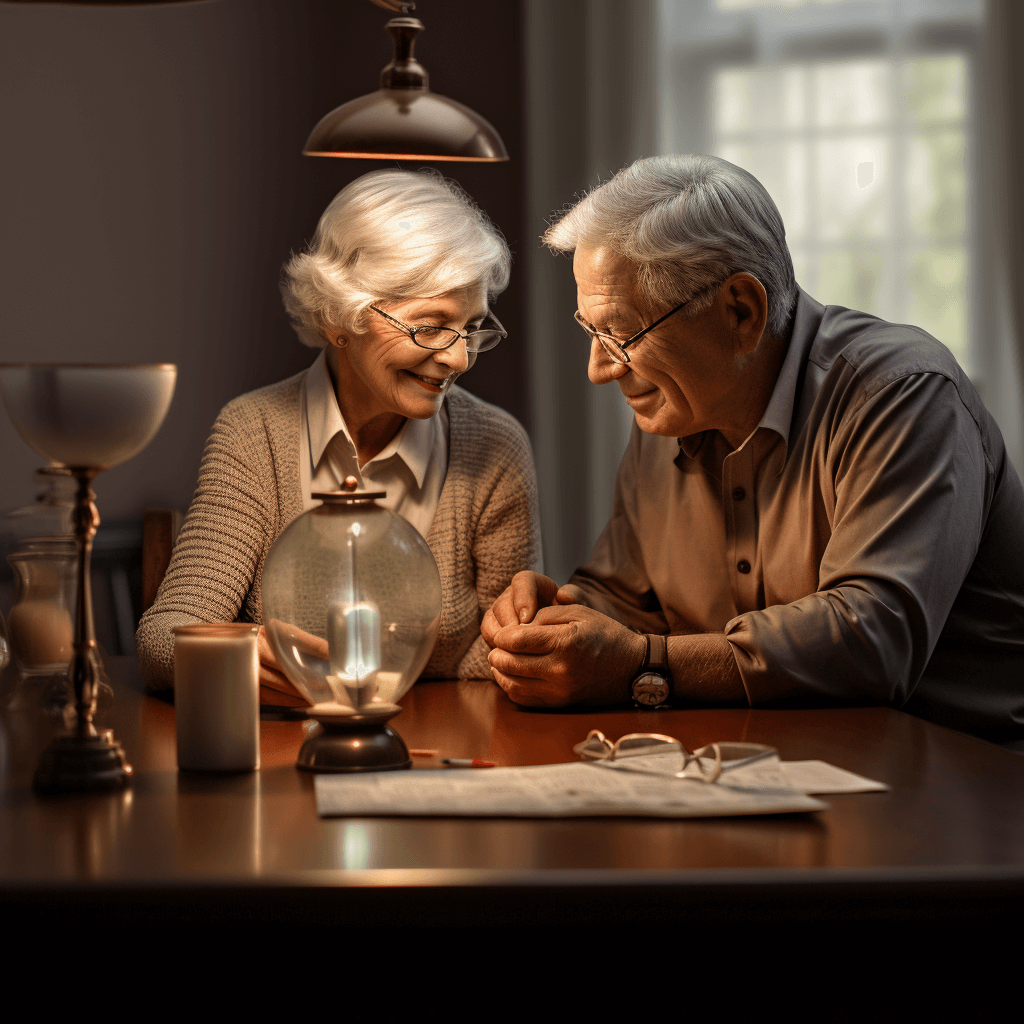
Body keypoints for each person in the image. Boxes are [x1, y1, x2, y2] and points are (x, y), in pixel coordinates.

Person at [483, 154, 1024, 745]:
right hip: (771, 765)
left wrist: (644, 663)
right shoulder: (673, 405)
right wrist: (553, 620)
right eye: (591, 331)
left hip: (959, 783)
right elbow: (626, 598)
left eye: (621, 334)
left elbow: (872, 642)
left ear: (741, 311)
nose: (599, 369)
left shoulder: (903, 394)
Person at [139, 169, 541, 705]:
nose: (458, 357)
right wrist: (231, 651)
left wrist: (532, 643)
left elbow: (505, 652)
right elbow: (164, 637)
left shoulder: (495, 446)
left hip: (443, 755)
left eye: (471, 327)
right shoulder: (254, 432)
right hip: (284, 763)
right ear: (340, 316)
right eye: (430, 326)